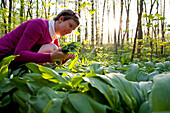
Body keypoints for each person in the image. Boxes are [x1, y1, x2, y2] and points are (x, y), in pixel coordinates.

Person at [0, 9, 80, 66]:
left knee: (53, 49)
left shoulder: (54, 37)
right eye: (70, 25)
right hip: (4, 56)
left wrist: (65, 57)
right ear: (61, 19)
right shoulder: (38, 25)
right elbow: (19, 54)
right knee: (51, 47)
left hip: (14, 58)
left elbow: (55, 62)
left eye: (73, 29)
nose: (70, 31)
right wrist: (50, 56)